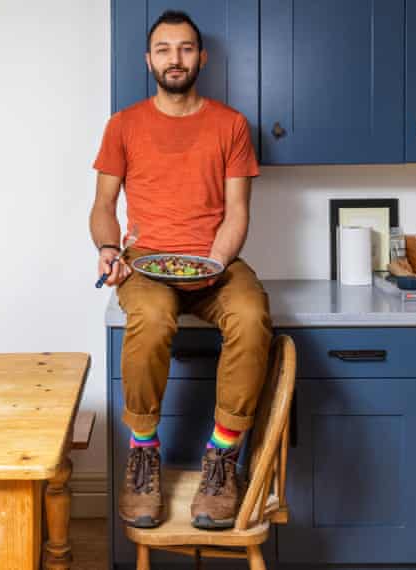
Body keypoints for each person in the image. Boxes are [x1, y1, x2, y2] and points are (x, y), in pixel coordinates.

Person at [89, 10, 272, 530]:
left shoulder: (230, 124)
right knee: (148, 319)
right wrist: (107, 246)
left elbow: (237, 211)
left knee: (252, 315)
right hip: (147, 265)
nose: (176, 58)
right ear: (149, 60)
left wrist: (214, 261)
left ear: (201, 57)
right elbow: (103, 204)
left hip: (217, 261)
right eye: (165, 49)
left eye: (186, 48)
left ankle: (222, 458)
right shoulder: (123, 125)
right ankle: (143, 452)